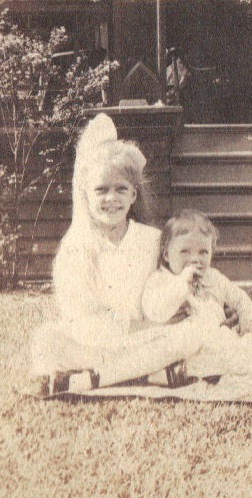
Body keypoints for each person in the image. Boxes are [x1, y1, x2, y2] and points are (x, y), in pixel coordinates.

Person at [28, 114, 202, 397]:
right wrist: (136, 328)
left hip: (149, 338)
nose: (111, 199)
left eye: (121, 189)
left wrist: (191, 301)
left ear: (133, 195)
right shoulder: (75, 248)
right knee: (46, 340)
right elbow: (81, 318)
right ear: (86, 195)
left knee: (192, 332)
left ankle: (96, 379)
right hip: (98, 342)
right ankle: (146, 373)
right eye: (101, 190)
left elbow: (174, 289)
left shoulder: (152, 239)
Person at [142, 209, 252, 379]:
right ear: (166, 254)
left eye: (203, 252)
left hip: (221, 335)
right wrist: (182, 284)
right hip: (190, 345)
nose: (195, 259)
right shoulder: (161, 280)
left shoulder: (214, 277)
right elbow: (155, 311)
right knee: (223, 356)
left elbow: (239, 298)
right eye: (185, 251)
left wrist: (248, 319)